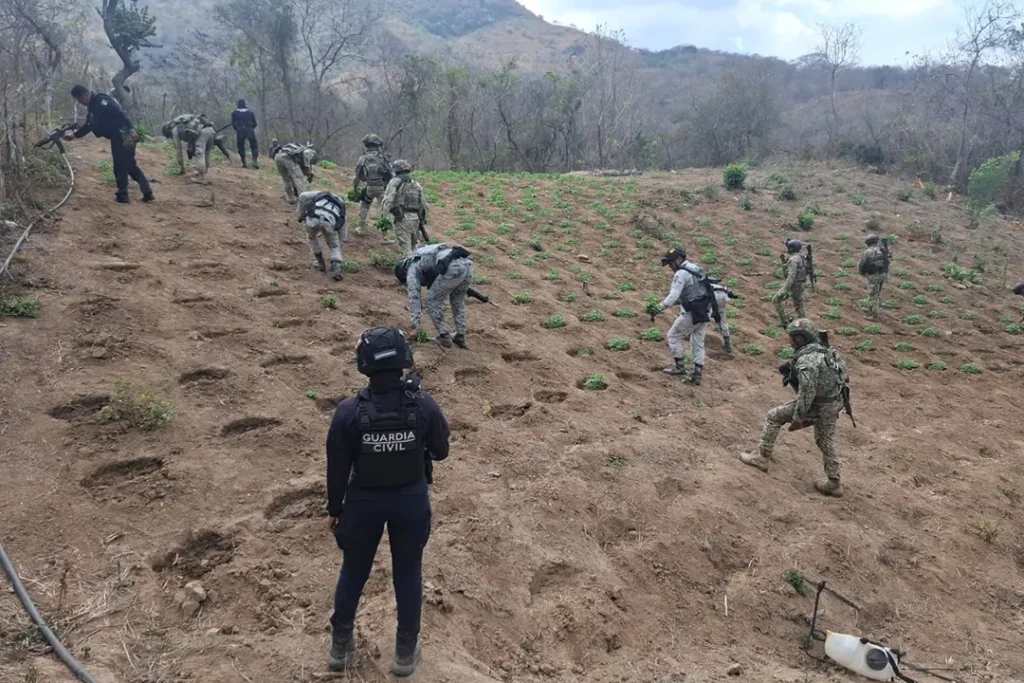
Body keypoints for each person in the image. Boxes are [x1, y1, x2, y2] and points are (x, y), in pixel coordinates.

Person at [326, 326, 449, 677]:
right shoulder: (423, 403)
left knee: (353, 571)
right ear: (403, 361)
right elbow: (441, 451)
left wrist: (335, 510)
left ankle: (340, 647)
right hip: (410, 501)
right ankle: (405, 653)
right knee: (408, 573)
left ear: (364, 363)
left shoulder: (348, 412)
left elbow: (336, 469)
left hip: (362, 502)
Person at [740, 319, 851, 497]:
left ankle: (761, 458)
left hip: (817, 404)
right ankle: (834, 482)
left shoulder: (807, 360)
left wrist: (799, 417)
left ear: (800, 338)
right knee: (825, 440)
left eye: (792, 337)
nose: (789, 340)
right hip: (833, 403)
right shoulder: (828, 350)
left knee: (773, 416)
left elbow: (807, 392)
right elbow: (842, 376)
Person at [65, 85, 154, 204]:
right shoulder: (92, 107)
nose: (81, 102)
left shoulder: (101, 100)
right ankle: (146, 192)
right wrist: (75, 135)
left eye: (80, 99)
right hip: (119, 135)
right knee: (129, 164)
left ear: (86, 95)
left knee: (121, 164)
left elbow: (119, 113)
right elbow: (89, 125)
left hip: (123, 134)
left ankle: (123, 194)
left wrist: (131, 128)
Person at [652, 247, 717, 386]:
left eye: (671, 263)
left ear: (679, 259)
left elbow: (673, 297)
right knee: (698, 341)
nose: (670, 267)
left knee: (673, 336)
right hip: (705, 310)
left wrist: (657, 308)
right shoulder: (695, 268)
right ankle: (697, 374)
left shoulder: (681, 274)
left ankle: (679, 367)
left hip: (692, 313)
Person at [395, 244, 472, 349]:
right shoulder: (421, 258)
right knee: (458, 302)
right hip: (467, 264)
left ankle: (444, 336)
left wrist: (415, 327)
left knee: (432, 301)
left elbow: (414, 298)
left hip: (452, 266)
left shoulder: (411, 271)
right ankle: (460, 336)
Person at [381, 160, 428, 257]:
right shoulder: (416, 183)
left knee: (405, 249)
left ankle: (408, 265)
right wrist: (422, 220)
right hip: (416, 219)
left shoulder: (395, 181)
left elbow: (388, 200)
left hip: (402, 218)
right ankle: (414, 264)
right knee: (413, 248)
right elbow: (424, 204)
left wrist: (384, 216)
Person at [297, 191, 346, 280]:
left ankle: (320, 263)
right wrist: (338, 250)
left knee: (312, 238)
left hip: (313, 217)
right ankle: (336, 269)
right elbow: (342, 234)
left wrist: (300, 214)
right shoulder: (341, 206)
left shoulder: (319, 194)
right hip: (329, 221)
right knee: (334, 246)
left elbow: (302, 195)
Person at [353, 134, 393, 235]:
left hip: (369, 187)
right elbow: (391, 174)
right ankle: (384, 234)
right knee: (383, 209)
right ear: (377, 145)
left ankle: (361, 227)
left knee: (365, 205)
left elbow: (357, 177)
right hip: (381, 188)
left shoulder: (362, 158)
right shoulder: (383, 158)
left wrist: (355, 188)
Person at [162, 114, 216, 181]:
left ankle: (201, 177)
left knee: (199, 153)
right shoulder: (184, 123)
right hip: (211, 130)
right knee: (207, 152)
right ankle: (204, 172)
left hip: (202, 132)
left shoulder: (174, 130)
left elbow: (179, 151)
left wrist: (181, 168)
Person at [773, 239, 807, 325]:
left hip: (794, 286)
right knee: (798, 304)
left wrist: (785, 289)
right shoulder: (801, 257)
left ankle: (784, 321)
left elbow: (791, 276)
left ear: (791, 249)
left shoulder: (793, 260)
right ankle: (803, 323)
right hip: (801, 284)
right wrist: (784, 262)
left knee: (776, 300)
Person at [859, 234, 890, 319]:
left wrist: (862, 273)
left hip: (874, 275)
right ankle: (873, 308)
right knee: (877, 293)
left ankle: (873, 315)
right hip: (882, 274)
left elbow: (862, 264)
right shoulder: (882, 249)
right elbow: (887, 261)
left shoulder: (868, 252)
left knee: (872, 295)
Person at [231, 99, 259, 169]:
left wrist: (238, 129)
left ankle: (244, 163)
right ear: (245, 104)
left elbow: (233, 124)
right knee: (254, 146)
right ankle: (255, 161)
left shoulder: (234, 113)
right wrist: (251, 128)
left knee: (241, 147)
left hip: (240, 130)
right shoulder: (250, 112)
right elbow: (255, 124)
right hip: (249, 129)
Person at [711, 281, 736, 354]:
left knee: (704, 313)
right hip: (724, 297)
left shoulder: (704, 284)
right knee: (722, 318)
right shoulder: (720, 286)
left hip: (713, 296)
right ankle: (727, 342)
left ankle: (690, 332)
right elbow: (730, 293)